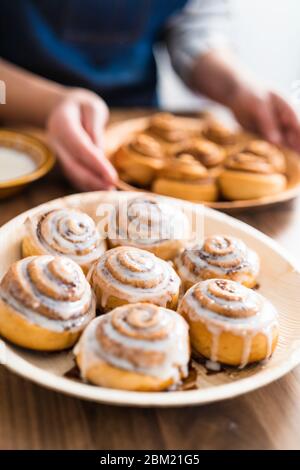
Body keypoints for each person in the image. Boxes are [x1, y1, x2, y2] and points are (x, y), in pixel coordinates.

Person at [0, 0, 300, 191]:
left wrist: (238, 87)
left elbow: (193, 23)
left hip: (137, 123)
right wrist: (49, 104)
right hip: (14, 135)